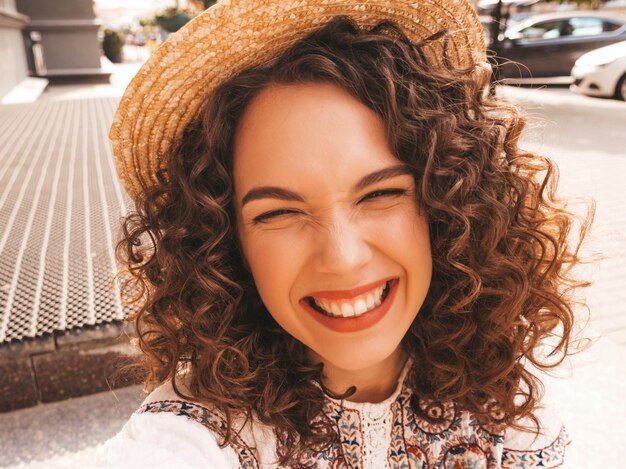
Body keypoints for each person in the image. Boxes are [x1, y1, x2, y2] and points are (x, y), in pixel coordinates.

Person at [99, 1, 591, 467]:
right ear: (227, 246)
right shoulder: (192, 437)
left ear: (448, 204)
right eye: (277, 213)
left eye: (380, 195)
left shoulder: (506, 407)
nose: (343, 258)